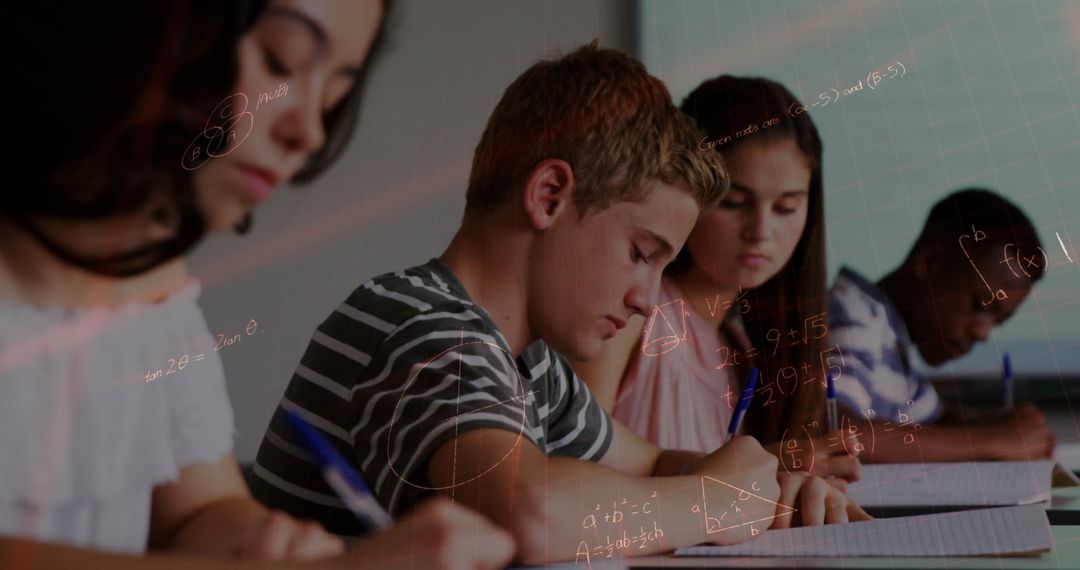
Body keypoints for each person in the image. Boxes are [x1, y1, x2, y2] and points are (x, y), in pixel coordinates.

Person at [252, 43, 869, 566]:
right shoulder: (424, 326)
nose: (646, 298)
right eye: (641, 252)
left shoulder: (532, 363)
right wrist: (713, 500)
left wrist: (765, 484)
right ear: (549, 196)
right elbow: (531, 511)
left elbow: (649, 463)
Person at [1, 2, 514, 569]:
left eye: (333, 97)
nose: (310, 132)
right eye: (281, 61)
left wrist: (263, 542)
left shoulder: (155, 288)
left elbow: (197, 512)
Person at [573, 76, 859, 483]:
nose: (760, 231)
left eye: (786, 207)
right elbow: (570, 464)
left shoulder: (743, 350)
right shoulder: (630, 314)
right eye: (735, 203)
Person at [828, 188, 1054, 463]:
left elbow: (935, 420)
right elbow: (838, 431)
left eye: (999, 321)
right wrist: (994, 439)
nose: (983, 333)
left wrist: (1003, 427)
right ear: (930, 260)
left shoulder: (893, 342)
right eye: (980, 307)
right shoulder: (852, 313)